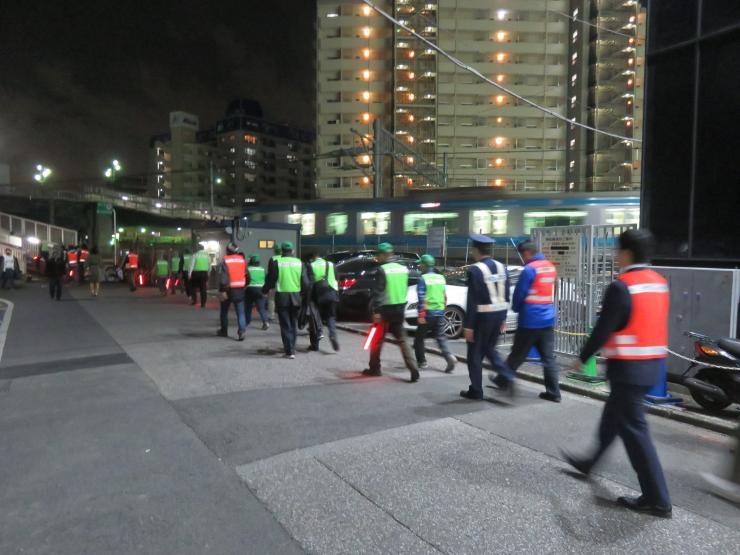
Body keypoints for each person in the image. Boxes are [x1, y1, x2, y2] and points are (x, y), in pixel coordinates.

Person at [561, 229, 672, 518]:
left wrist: (582, 357)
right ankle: (589, 463)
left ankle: (657, 499)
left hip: (628, 370)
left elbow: (604, 328)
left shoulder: (622, 287)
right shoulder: (659, 283)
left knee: (635, 432)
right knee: (613, 418)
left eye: (616, 250)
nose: (614, 256)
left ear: (626, 253)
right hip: (652, 367)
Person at [496, 240, 561, 402]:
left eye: (522, 255)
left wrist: (516, 308)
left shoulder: (530, 269)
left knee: (517, 353)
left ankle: (503, 380)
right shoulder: (550, 267)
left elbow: (520, 293)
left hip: (530, 319)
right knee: (548, 358)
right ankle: (554, 392)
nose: (522, 259)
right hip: (547, 318)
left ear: (526, 253)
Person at [460, 235, 510, 400]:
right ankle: (506, 375)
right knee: (489, 349)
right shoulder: (503, 267)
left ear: (475, 250)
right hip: (498, 317)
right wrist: (503, 318)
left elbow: (472, 300)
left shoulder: (475, 270)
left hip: (482, 319)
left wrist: (468, 326)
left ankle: (476, 390)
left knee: (474, 354)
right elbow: (506, 295)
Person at [364, 242, 419, 382]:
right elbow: (404, 289)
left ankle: (375, 368)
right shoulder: (403, 269)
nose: (378, 258)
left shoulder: (382, 270)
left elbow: (378, 293)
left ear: (383, 255)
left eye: (379, 255)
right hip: (399, 309)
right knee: (402, 340)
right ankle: (413, 368)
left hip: (384, 309)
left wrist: (376, 311)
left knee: (377, 340)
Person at [263, 241, 306, 359]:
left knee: (285, 324)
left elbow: (271, 280)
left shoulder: (278, 262)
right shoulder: (299, 263)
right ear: (292, 251)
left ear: (282, 251)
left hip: (282, 297)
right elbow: (305, 282)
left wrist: (264, 290)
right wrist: (304, 295)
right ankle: (292, 347)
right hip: (296, 297)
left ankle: (289, 351)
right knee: (293, 323)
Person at [414, 254, 456, 372]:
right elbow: (444, 296)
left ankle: (422, 362)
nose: (419, 266)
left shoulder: (423, 279)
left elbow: (421, 298)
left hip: (428, 313)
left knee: (419, 339)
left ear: (425, 265)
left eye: (420, 264)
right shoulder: (441, 278)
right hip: (440, 312)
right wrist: (442, 310)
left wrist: (421, 315)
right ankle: (449, 357)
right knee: (440, 337)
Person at [308, 252, 340, 352]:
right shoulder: (331, 264)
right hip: (331, 293)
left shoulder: (311, 265)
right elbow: (337, 278)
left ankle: (315, 344)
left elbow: (308, 281)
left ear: (314, 258)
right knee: (331, 317)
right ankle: (332, 335)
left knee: (314, 319)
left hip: (317, 295)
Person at [217, 243, 247, 340]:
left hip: (228, 289)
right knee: (241, 313)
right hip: (239, 289)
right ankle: (242, 332)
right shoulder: (242, 260)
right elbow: (248, 275)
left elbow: (224, 277)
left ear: (228, 250)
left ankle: (224, 331)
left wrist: (222, 290)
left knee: (224, 311)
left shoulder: (226, 260)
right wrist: (244, 285)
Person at [245, 254, 269, 330]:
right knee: (261, 307)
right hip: (261, 289)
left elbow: (246, 279)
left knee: (248, 306)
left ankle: (247, 321)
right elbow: (266, 279)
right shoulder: (262, 269)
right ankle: (265, 322)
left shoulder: (248, 269)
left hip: (250, 289)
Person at [267, 243, 282, 321]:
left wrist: (269, 285)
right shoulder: (284, 259)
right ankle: (281, 315)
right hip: (283, 283)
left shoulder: (272, 259)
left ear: (274, 250)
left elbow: (271, 273)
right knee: (281, 300)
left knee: (271, 299)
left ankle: (271, 316)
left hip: (274, 283)